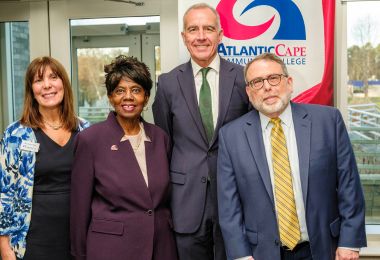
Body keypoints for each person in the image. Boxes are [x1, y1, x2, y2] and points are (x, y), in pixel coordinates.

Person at [217, 53, 367, 260]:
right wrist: (240, 255)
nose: (267, 87)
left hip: (323, 248)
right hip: (262, 253)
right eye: (257, 82)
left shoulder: (328, 121)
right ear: (249, 92)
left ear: (289, 83)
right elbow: (228, 205)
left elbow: (349, 187)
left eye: (273, 78)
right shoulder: (231, 136)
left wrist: (350, 241)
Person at [152, 3, 249, 260]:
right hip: (185, 201)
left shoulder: (243, 78)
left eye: (208, 28)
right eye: (193, 29)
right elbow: (164, 143)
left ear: (220, 34)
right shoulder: (167, 84)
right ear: (184, 37)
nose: (201, 36)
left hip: (234, 196)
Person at [70, 55, 177, 260]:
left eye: (136, 90)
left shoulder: (160, 138)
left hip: (161, 248)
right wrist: (79, 254)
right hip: (111, 249)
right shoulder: (90, 140)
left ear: (146, 97)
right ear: (111, 97)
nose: (128, 97)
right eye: (120, 90)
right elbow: (79, 209)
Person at [0, 56, 90, 260]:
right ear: (31, 90)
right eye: (39, 80)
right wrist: (5, 249)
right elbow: (4, 194)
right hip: (34, 242)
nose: (47, 85)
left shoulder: (85, 130)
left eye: (53, 77)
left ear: (64, 84)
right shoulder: (16, 134)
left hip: (80, 239)